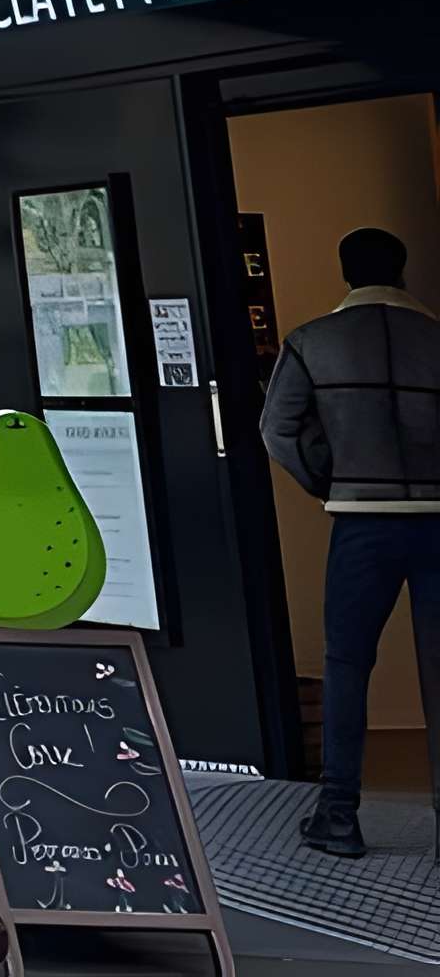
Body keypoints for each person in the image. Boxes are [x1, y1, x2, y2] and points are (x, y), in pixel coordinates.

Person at [263, 227, 440, 860]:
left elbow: (277, 428)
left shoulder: (313, 341)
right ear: (404, 269)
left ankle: (339, 815)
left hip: (362, 521)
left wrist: (327, 480)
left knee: (347, 665)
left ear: (344, 272)